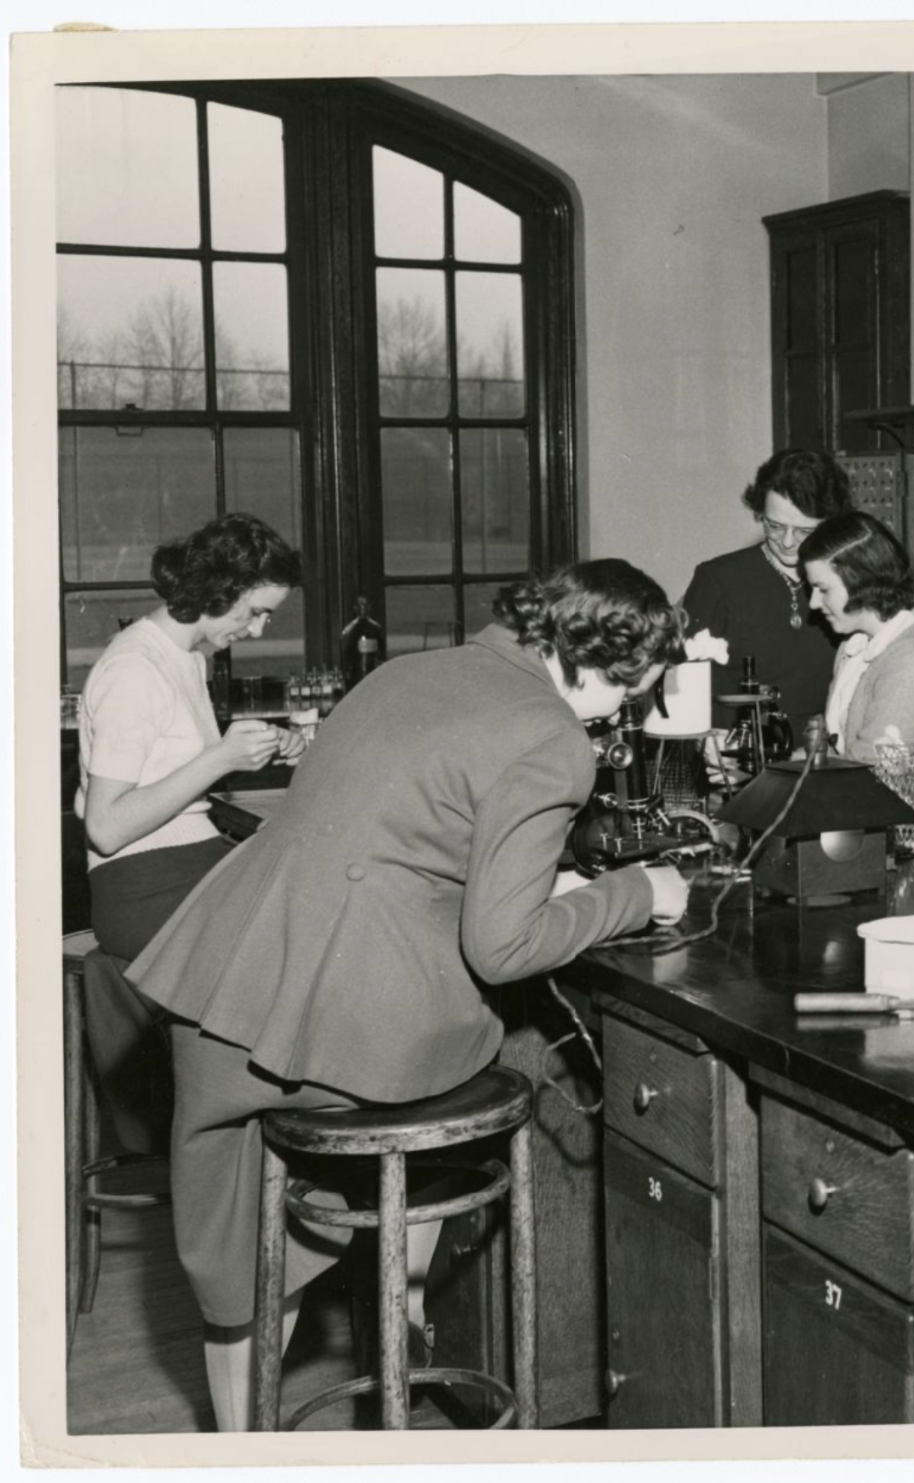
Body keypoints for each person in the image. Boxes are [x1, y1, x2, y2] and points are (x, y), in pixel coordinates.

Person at [126, 558, 690, 1430]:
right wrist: (638, 893)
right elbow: (501, 947)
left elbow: (417, 828)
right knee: (516, 1045)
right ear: (588, 658)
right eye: (627, 692)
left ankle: (244, 1447)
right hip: (342, 1026)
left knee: (242, 1250)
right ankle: (412, 1313)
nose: (625, 714)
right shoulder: (550, 736)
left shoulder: (412, 669)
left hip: (228, 989)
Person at [76, 512, 306, 1152]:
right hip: (142, 886)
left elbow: (173, 773)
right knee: (302, 944)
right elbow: (106, 826)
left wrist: (263, 749)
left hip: (187, 866)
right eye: (256, 611)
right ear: (218, 589)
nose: (258, 628)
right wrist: (220, 760)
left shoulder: (185, 660)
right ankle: (257, 1146)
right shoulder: (135, 671)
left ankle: (269, 1144)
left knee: (311, 909)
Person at [798, 510, 914, 827]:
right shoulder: (854, 646)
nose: (812, 603)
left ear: (860, 580)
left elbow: (867, 777)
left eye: (823, 589)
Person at [680, 448, 854, 731]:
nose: (786, 542)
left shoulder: (846, 582)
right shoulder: (718, 579)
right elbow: (684, 687)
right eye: (774, 526)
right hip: (735, 753)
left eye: (804, 531)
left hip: (821, 753)